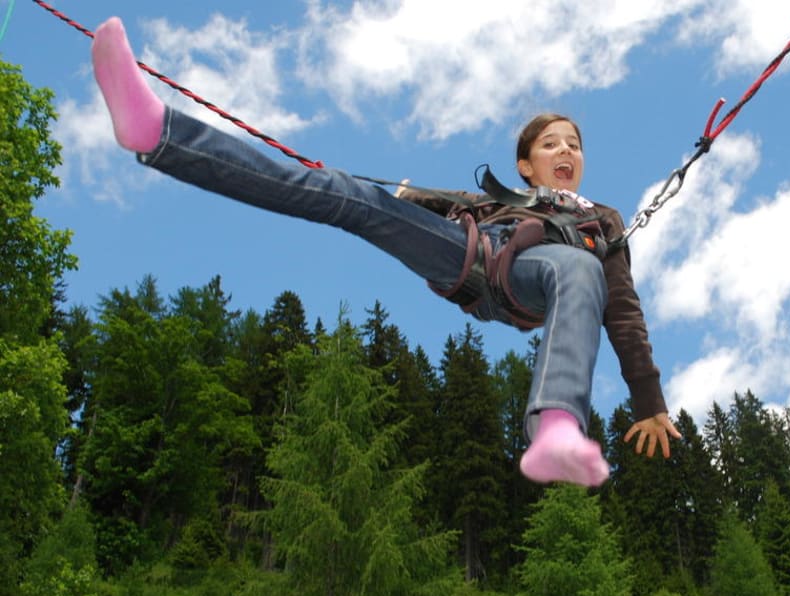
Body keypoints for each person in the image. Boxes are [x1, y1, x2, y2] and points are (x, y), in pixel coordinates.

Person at [90, 17, 681, 488]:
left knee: (579, 267)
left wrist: (648, 399)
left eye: (574, 144)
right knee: (350, 197)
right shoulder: (492, 202)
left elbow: (623, 311)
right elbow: (433, 203)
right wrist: (403, 199)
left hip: (536, 279)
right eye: (551, 144)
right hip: (472, 256)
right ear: (526, 165)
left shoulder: (601, 220)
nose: (566, 151)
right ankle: (158, 132)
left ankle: (556, 426)